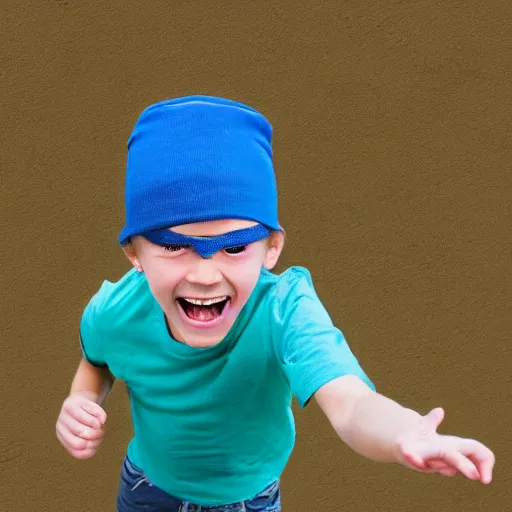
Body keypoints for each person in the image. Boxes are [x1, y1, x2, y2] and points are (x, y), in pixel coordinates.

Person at [56, 95, 495, 512]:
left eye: (233, 248)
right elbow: (97, 360)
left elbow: (350, 403)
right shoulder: (114, 310)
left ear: (271, 248)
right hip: (147, 490)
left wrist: (402, 433)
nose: (205, 276)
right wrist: (81, 400)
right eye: (174, 247)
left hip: (251, 500)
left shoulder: (286, 309)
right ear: (135, 253)